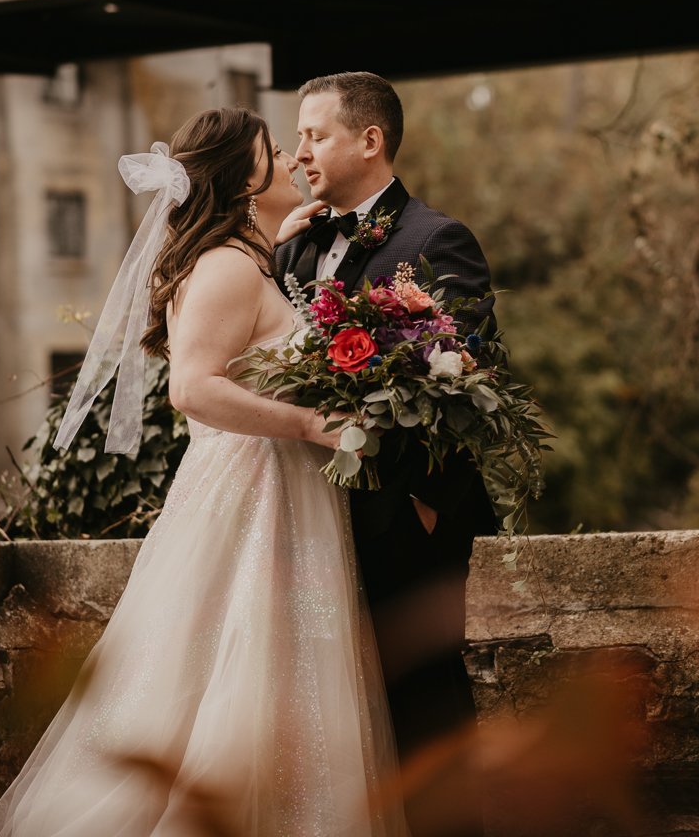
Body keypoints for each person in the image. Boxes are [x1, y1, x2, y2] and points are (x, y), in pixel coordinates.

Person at [0, 107, 408, 837]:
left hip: (277, 490)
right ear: (247, 176)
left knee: (275, 673)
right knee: (237, 667)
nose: (291, 158)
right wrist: (312, 423)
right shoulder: (223, 268)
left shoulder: (245, 260)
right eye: (276, 151)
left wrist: (281, 243)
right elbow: (194, 388)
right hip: (254, 492)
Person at [275, 73, 497, 833]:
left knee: (423, 702)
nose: (299, 152)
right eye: (298, 137)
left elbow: (464, 380)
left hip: (406, 516)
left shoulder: (436, 241)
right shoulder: (297, 246)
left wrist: (419, 504)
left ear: (370, 141)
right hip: (314, 517)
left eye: (315, 135)